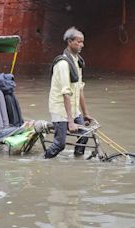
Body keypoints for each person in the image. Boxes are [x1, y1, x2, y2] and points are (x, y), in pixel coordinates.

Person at [45, 27, 95, 159]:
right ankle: (43, 161)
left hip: (74, 109)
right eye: (78, 42)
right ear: (69, 42)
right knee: (59, 144)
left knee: (85, 135)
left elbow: (80, 89)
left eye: (82, 42)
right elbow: (66, 93)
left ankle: (77, 160)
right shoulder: (62, 64)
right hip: (60, 109)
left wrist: (86, 114)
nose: (81, 45)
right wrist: (70, 121)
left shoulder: (77, 62)